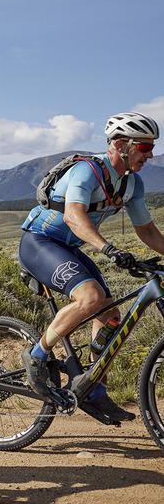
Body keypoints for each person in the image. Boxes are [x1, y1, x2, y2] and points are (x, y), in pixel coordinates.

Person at [19, 111, 161, 422]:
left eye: (152, 148)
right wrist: (109, 249)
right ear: (121, 144)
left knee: (110, 314)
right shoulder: (88, 171)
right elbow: (73, 217)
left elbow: (147, 231)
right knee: (91, 298)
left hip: (67, 247)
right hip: (39, 242)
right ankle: (36, 355)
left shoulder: (131, 184)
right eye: (145, 148)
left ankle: (93, 389)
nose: (149, 155)